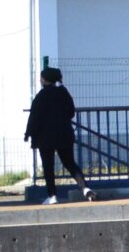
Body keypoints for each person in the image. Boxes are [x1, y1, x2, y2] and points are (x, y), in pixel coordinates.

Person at [24, 67, 92, 202]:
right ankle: (85, 188)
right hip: (64, 134)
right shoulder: (63, 93)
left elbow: (34, 117)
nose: (40, 80)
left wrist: (28, 133)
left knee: (48, 166)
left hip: (45, 137)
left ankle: (52, 196)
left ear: (44, 80)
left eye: (41, 78)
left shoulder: (41, 96)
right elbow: (71, 112)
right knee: (69, 163)